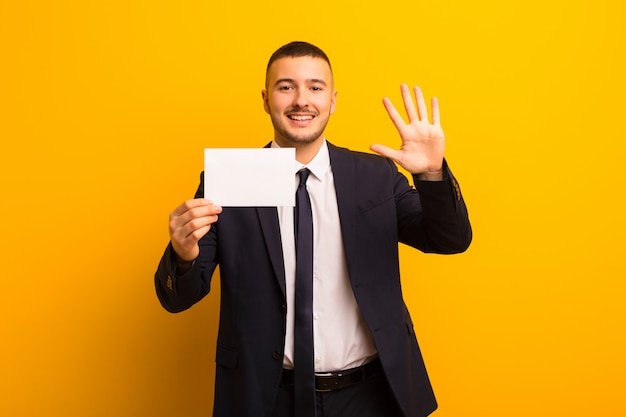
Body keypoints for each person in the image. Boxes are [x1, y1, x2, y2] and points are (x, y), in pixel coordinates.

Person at [155, 41, 472, 417]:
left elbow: (450, 239)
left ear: (333, 100)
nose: (301, 100)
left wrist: (431, 174)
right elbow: (177, 298)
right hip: (266, 399)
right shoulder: (231, 180)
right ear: (266, 98)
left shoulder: (374, 176)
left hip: (370, 396)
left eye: (315, 87)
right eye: (286, 87)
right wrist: (183, 254)